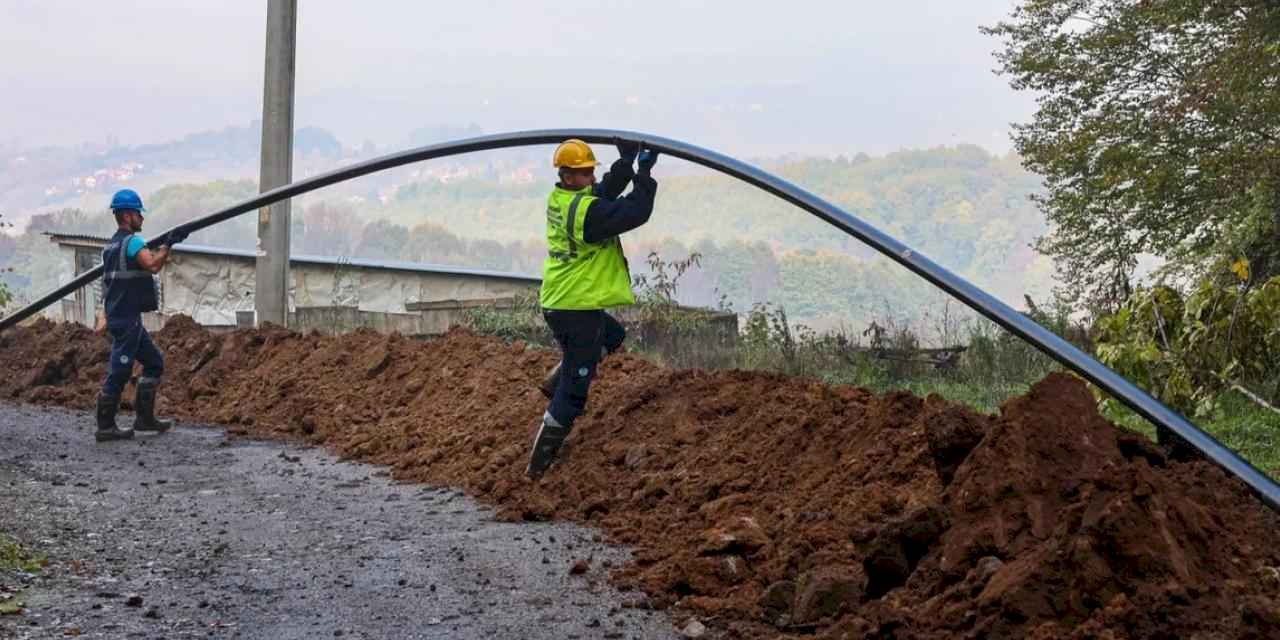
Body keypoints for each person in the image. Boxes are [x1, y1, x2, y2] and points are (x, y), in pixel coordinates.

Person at [526, 139, 659, 478]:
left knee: (612, 335)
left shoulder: (565, 198)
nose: (589, 178)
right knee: (576, 390)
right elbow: (635, 210)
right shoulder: (587, 216)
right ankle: (538, 465)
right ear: (567, 175)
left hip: (562, 300)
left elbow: (603, 193)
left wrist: (625, 162)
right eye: (584, 173)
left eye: (590, 172)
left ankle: (560, 375)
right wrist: (644, 171)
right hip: (575, 307)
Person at [93, 189, 188, 442]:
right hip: (126, 319)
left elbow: (114, 280)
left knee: (155, 362)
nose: (142, 218)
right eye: (138, 213)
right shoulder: (133, 243)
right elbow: (153, 265)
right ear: (127, 215)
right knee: (119, 370)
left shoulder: (111, 247)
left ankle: (144, 420)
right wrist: (169, 244)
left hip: (122, 316)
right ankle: (105, 427)